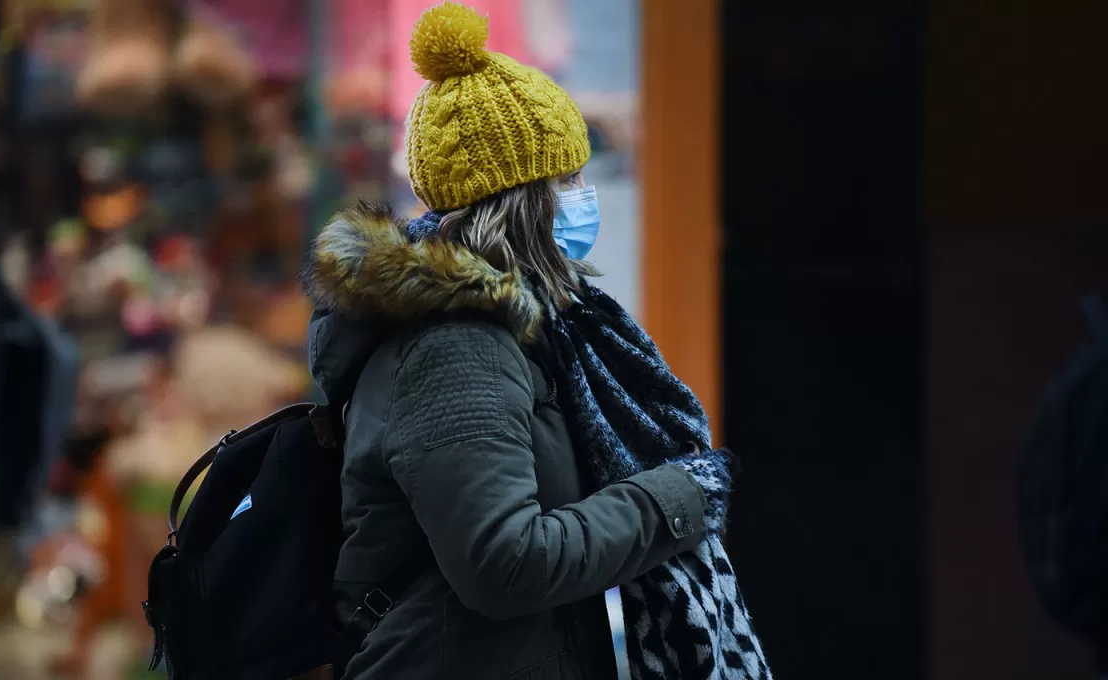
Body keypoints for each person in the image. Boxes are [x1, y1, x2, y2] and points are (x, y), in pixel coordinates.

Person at [304, 3, 771, 678]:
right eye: (568, 179)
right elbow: (505, 565)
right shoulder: (457, 348)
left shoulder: (527, 332)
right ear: (519, 201)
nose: (584, 197)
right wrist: (676, 497)